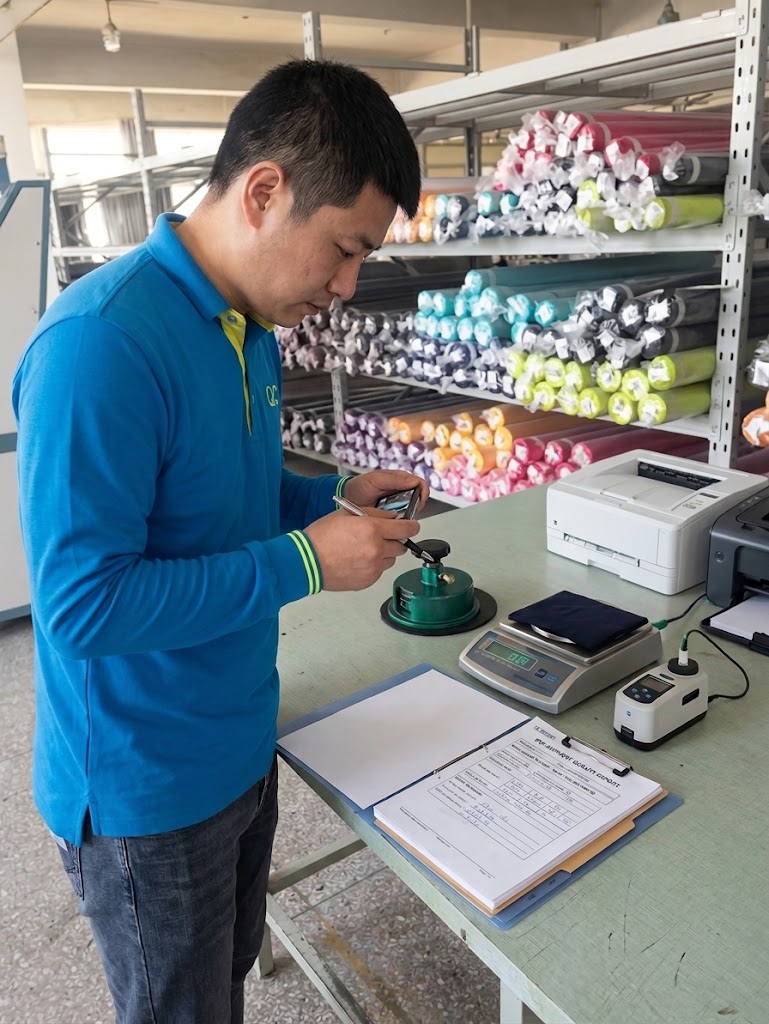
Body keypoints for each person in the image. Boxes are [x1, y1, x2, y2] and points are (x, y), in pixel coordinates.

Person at [12, 58, 425, 1024]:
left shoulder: (246, 326)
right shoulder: (101, 345)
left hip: (238, 738)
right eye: (344, 249)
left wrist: (328, 498)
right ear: (265, 191)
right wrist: (309, 561)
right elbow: (82, 606)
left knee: (224, 978)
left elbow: (228, 496)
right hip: (144, 792)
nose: (348, 284)